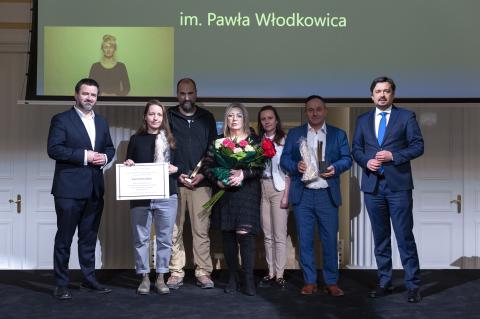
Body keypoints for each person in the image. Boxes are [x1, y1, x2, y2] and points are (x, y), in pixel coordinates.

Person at [352, 76, 424, 303]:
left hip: (398, 187)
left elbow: (418, 145)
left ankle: (413, 285)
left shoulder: (406, 116)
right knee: (380, 238)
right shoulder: (363, 120)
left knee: (404, 237)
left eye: (386, 91)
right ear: (371, 95)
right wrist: (366, 162)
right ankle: (385, 282)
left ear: (393, 94)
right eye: (378, 91)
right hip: (373, 187)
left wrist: (394, 156)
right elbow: (356, 149)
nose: (382, 95)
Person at [47, 78, 115, 300]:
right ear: (76, 95)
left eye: (93, 95)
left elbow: (109, 148)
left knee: (88, 239)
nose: (89, 98)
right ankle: (60, 283)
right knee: (64, 239)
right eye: (85, 94)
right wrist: (86, 156)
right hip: (68, 191)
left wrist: (105, 157)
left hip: (94, 190)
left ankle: (88, 279)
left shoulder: (102, 122)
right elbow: (54, 149)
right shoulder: (61, 119)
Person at [280, 95, 352, 296]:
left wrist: (335, 167)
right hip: (303, 196)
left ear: (325, 111)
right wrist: (296, 165)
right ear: (306, 112)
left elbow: (347, 159)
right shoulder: (295, 134)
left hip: (327, 195)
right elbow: (284, 160)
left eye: (318, 109)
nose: (314, 113)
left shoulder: (338, 134)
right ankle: (309, 281)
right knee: (305, 240)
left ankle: (331, 282)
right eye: (310, 109)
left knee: (329, 240)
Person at [203, 103, 263, 296]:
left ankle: (248, 279)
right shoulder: (218, 141)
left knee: (245, 235)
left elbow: (260, 166)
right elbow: (207, 166)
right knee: (228, 235)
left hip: (247, 192)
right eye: (230, 115)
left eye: (238, 115)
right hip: (225, 193)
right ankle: (232, 278)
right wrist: (218, 181)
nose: (234, 119)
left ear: (244, 118)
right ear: (226, 119)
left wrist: (243, 173)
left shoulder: (255, 141)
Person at [166, 78, 217, 289]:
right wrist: (176, 173)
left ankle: (203, 272)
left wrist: (203, 174)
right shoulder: (168, 116)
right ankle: (176, 272)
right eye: (182, 93)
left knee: (201, 230)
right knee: (173, 230)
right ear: (177, 94)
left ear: (196, 93)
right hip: (174, 182)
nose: (186, 97)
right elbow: (162, 148)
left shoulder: (207, 117)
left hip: (201, 184)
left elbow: (213, 151)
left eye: (190, 93)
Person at [124, 100, 179, 295]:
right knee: (141, 238)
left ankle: (161, 277)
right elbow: (129, 162)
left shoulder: (171, 140)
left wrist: (176, 168)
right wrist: (129, 163)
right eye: (151, 114)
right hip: (141, 196)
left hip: (167, 195)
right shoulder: (136, 139)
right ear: (145, 116)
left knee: (164, 239)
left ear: (163, 118)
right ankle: (144, 277)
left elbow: (180, 165)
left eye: (159, 114)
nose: (155, 118)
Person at [256, 105, 290, 289]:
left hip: (279, 189)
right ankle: (270, 272)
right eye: (263, 119)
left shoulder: (285, 139)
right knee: (267, 234)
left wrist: (286, 195)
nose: (267, 121)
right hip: (262, 187)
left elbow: (289, 171)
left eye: (270, 118)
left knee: (279, 234)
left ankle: (280, 274)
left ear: (276, 120)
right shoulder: (257, 141)